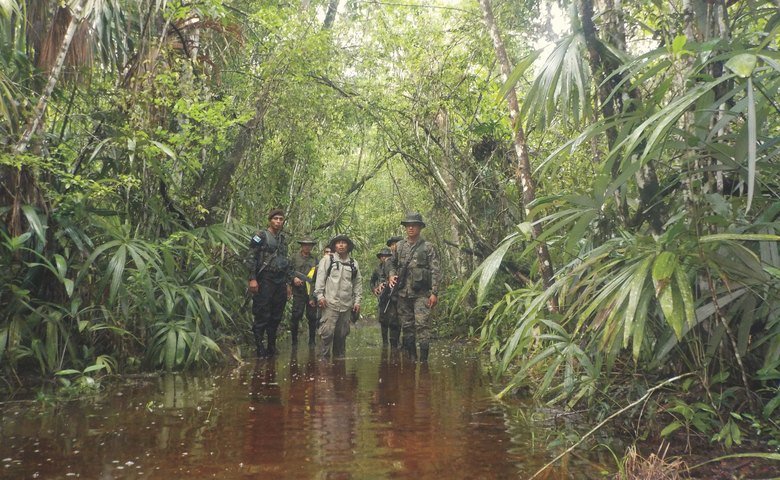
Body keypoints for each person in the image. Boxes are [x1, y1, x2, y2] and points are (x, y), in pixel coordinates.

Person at [388, 213, 440, 362]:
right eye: (408, 225)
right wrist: (391, 275)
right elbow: (391, 263)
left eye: (414, 225)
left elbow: (435, 270)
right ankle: (411, 359)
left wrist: (434, 293)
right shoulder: (399, 246)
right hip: (403, 294)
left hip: (422, 294)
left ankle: (423, 362)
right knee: (407, 326)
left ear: (420, 227)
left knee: (422, 326)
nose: (410, 228)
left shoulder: (428, 247)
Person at [246, 208, 293, 357]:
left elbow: (285, 263)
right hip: (264, 279)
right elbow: (250, 256)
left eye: (281, 219)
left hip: (280, 281)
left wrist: (288, 284)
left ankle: (272, 345)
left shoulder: (283, 240)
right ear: (270, 220)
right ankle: (259, 346)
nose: (278, 221)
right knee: (262, 313)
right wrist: (252, 278)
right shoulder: (260, 236)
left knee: (276, 314)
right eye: (276, 218)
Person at [314, 235, 362, 359]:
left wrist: (357, 302)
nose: (341, 245)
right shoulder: (327, 260)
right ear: (334, 246)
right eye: (338, 243)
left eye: (343, 243)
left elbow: (357, 284)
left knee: (342, 336)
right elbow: (320, 279)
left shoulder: (353, 263)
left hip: (346, 305)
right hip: (329, 304)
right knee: (326, 334)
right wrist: (320, 296)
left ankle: (339, 368)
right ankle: (323, 367)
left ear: (348, 246)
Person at [289, 236, 319, 347]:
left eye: (309, 245)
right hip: (298, 292)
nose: (307, 247)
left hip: (311, 292)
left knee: (312, 317)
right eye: (305, 244)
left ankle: (312, 341)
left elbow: (318, 276)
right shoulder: (294, 258)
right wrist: (293, 279)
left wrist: (315, 295)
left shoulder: (315, 259)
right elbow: (288, 271)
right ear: (301, 245)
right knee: (296, 315)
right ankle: (294, 342)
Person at [371, 247, 394, 347]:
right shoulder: (377, 269)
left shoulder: (394, 266)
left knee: (394, 321)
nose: (384, 258)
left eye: (387, 256)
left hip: (394, 297)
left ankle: (394, 344)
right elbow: (371, 281)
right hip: (382, 297)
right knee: (383, 319)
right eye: (382, 256)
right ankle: (385, 343)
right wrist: (375, 289)